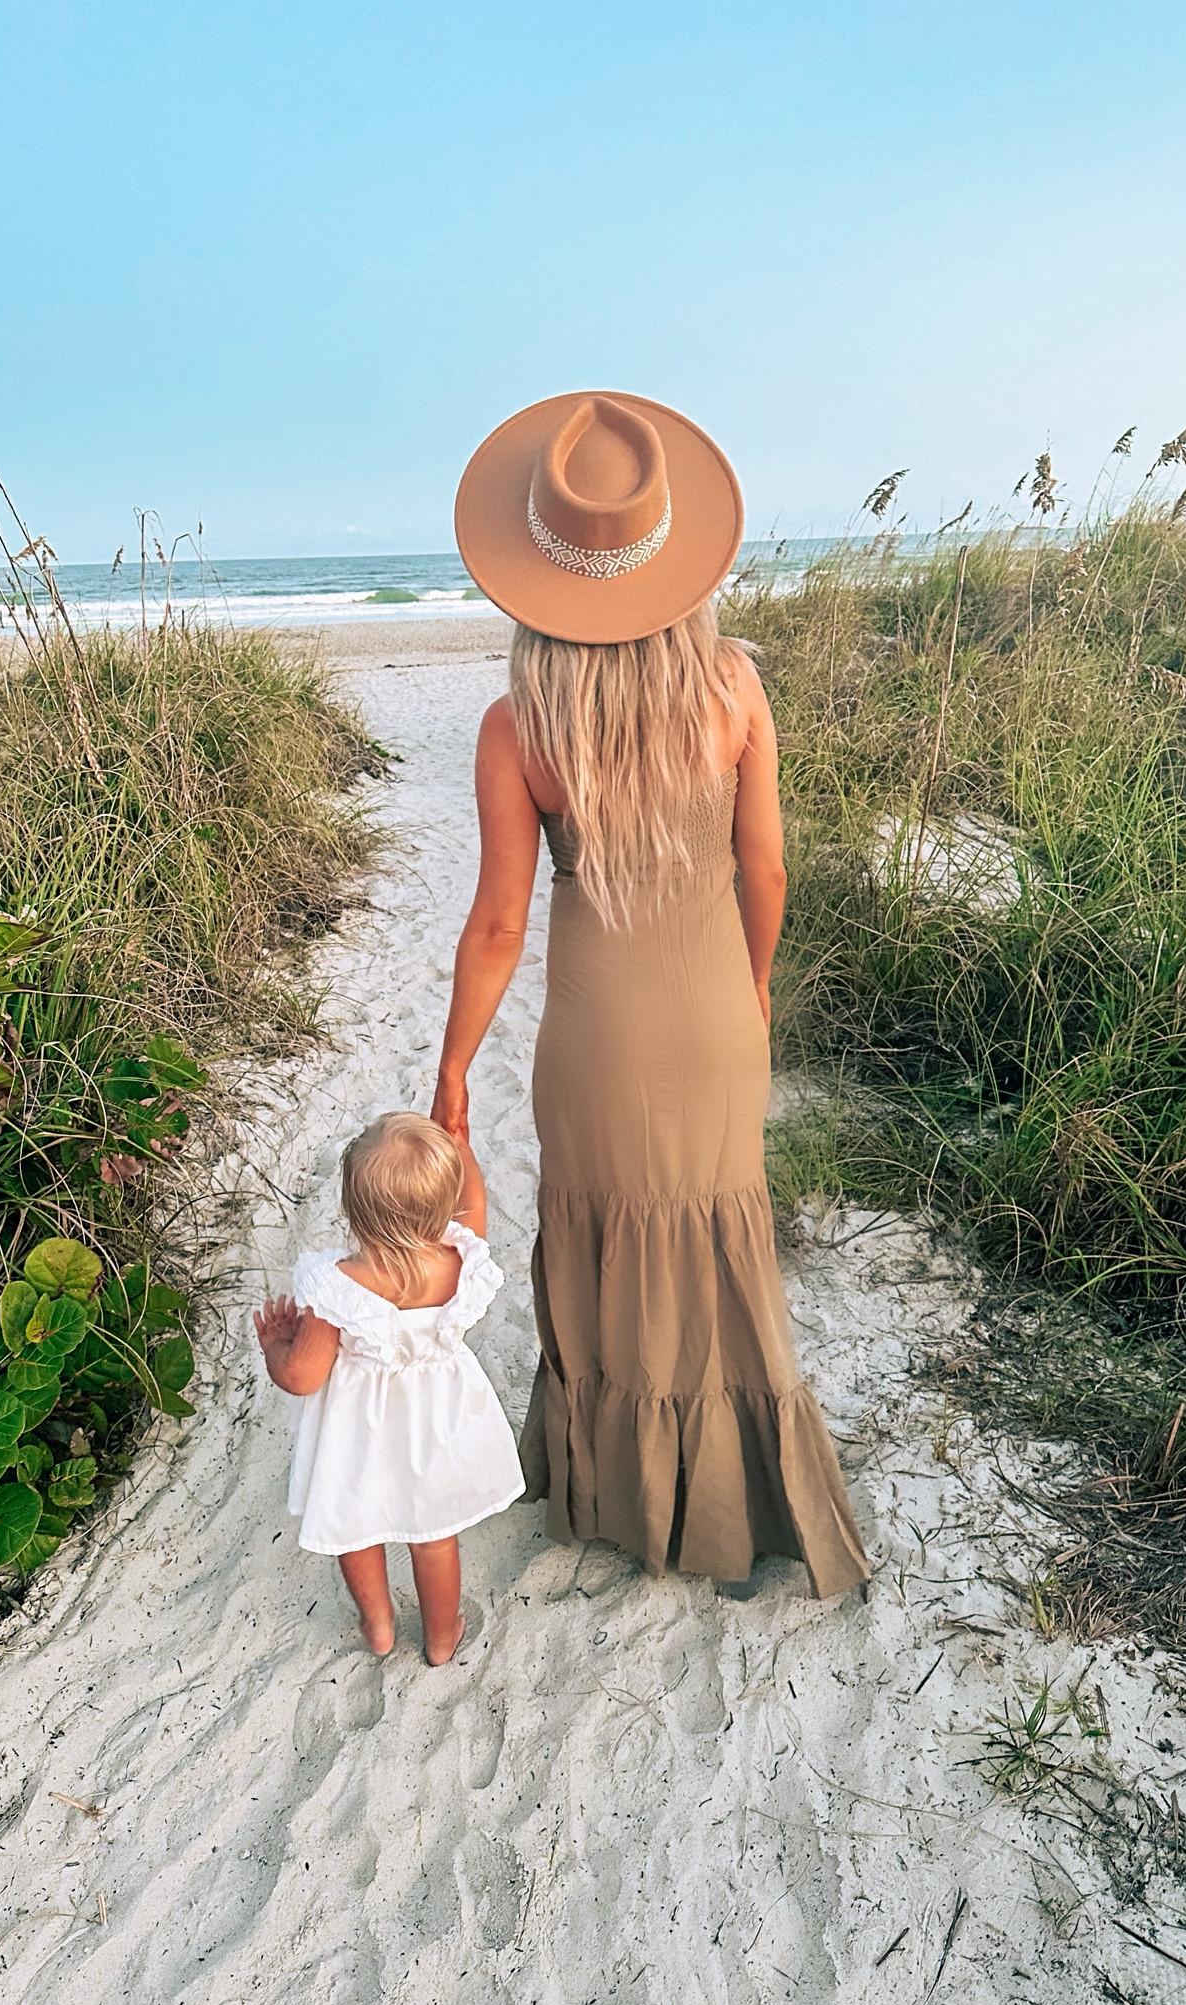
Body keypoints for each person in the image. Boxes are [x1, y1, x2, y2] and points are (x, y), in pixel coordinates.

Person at [433, 390, 869, 1595]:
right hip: (715, 1009)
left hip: (595, 1033)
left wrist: (452, 1071)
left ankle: (618, 1492)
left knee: (605, 1243)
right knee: (720, 1239)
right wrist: (754, 985)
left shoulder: (517, 725)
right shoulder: (733, 686)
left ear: (535, 574)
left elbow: (500, 923)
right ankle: (736, 1495)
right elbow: (766, 870)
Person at [254, 1113, 524, 1663]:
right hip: (436, 1422)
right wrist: (461, 1144)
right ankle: (441, 1638)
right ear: (444, 1206)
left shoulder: (338, 1286)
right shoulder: (461, 1260)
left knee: (356, 1526)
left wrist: (276, 1345)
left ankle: (378, 1625)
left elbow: (302, 1377)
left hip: (360, 1430)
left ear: (353, 1211)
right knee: (434, 1536)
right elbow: (473, 1201)